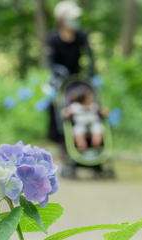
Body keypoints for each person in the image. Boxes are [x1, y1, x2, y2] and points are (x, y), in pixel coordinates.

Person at [46, 1, 94, 143]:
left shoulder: (81, 36)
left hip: (76, 79)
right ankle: (59, 141)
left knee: (80, 104)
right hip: (58, 78)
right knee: (57, 107)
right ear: (61, 20)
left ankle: (82, 140)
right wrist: (57, 74)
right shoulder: (53, 38)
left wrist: (91, 74)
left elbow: (90, 55)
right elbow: (50, 62)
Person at [61, 85, 104, 151]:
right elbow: (65, 112)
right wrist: (67, 113)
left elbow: (101, 112)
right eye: (89, 97)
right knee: (77, 132)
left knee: (98, 129)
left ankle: (96, 145)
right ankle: (81, 145)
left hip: (93, 124)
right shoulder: (76, 106)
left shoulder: (93, 106)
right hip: (80, 125)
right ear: (82, 98)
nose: (91, 98)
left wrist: (104, 113)